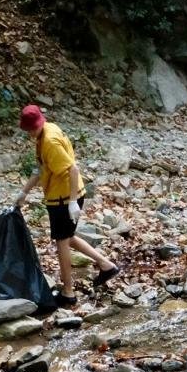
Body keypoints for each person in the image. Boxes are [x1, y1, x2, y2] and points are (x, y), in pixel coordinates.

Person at [12, 104, 120, 306]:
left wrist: (72, 202)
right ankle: (107, 266)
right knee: (68, 237)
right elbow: (41, 169)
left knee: (61, 242)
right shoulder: (47, 131)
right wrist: (24, 192)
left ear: (32, 128)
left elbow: (73, 169)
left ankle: (68, 292)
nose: (28, 134)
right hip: (63, 195)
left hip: (64, 198)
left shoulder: (50, 141)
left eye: (29, 130)